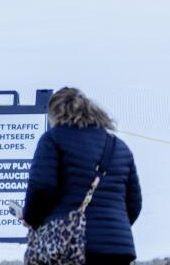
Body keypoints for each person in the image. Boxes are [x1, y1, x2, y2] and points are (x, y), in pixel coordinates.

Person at [23, 88, 143, 265]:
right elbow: (134, 204)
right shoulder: (119, 146)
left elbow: (41, 188)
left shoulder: (53, 139)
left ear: (56, 113)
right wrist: (114, 229)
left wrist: (32, 219)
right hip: (118, 249)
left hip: (72, 247)